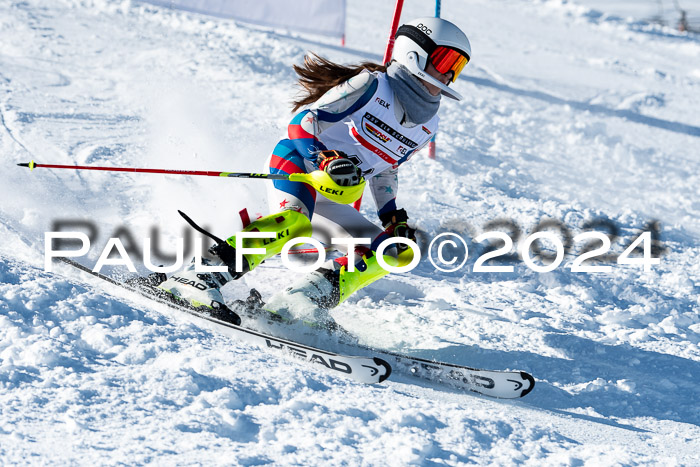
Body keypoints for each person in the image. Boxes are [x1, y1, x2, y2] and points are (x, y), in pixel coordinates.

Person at [156, 17, 472, 325]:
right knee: (294, 222)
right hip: (298, 165)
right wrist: (323, 159)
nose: (449, 75)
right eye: (446, 61)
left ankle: (301, 302)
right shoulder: (372, 86)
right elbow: (301, 122)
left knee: (395, 251)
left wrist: (392, 217)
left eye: (457, 68)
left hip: (333, 192)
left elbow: (386, 169)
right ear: (413, 54)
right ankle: (198, 277)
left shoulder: (428, 124)